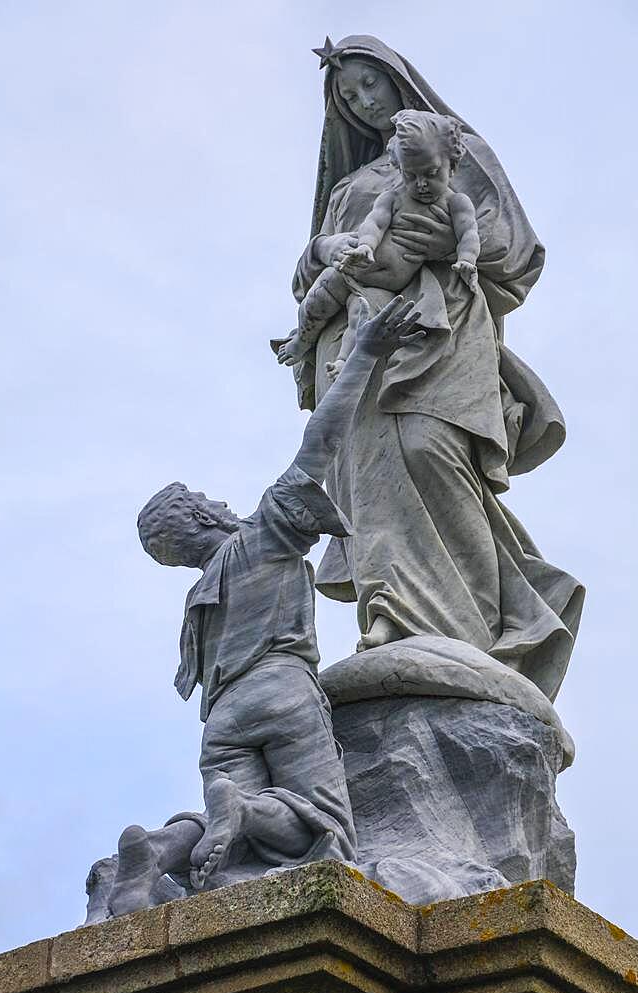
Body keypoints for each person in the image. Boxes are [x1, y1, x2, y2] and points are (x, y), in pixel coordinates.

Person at [103, 295, 423, 917]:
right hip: (280, 690)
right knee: (328, 827)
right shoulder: (261, 540)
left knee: (243, 846)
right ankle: (242, 808)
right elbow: (321, 440)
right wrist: (364, 354)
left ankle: (159, 851)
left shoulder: (198, 601)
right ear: (203, 517)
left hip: (221, 720)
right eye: (208, 499)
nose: (222, 501)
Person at [286, 35, 584, 697]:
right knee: (369, 476)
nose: (364, 102)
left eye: (370, 84)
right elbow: (310, 270)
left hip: (442, 328)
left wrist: (449, 242)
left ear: (398, 81)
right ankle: (388, 619)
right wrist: (322, 255)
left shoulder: (459, 149)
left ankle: (479, 629)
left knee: (430, 453)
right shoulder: (348, 186)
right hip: (356, 341)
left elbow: (516, 251)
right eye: (349, 95)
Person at [277, 108, 479, 381]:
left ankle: (342, 363)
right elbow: (374, 224)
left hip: (398, 293)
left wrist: (464, 258)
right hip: (357, 266)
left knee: (362, 319)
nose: (421, 184)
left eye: (431, 173)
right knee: (321, 294)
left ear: (452, 166)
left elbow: (472, 234)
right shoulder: (388, 196)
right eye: (410, 176)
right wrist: (360, 246)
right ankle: (302, 339)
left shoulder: (457, 202)